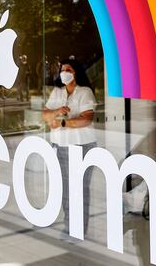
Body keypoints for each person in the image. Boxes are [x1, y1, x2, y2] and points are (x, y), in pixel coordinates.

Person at [41, 57, 97, 239]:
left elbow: (86, 118)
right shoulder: (57, 92)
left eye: (69, 70)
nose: (64, 73)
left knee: (80, 188)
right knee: (66, 187)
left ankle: (79, 229)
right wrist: (57, 112)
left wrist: (62, 122)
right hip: (62, 146)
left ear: (76, 73)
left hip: (82, 146)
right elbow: (45, 115)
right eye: (62, 69)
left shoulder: (84, 92)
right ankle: (69, 227)